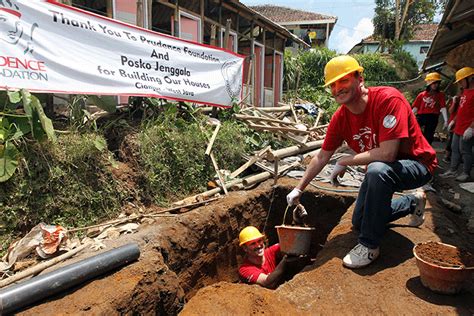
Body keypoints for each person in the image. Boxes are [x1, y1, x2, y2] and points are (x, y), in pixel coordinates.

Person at [286, 55, 437, 269]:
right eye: (333, 84)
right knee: (359, 221)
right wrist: (299, 189)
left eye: (344, 80)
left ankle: (369, 246)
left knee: (376, 169)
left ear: (360, 78)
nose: (338, 88)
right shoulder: (341, 117)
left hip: (417, 164)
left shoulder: (388, 100)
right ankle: (412, 203)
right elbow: (321, 156)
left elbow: (387, 154)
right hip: (385, 170)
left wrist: (346, 161)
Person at [439, 67, 474, 182]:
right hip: (458, 127)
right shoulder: (465, 92)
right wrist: (454, 120)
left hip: (467, 129)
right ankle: (453, 170)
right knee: (454, 149)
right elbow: (461, 110)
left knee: (465, 151)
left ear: (469, 78)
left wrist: (471, 128)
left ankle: (466, 173)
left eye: (461, 80)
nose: (459, 83)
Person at [412, 72, 448, 144]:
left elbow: (443, 107)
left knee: (428, 136)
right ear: (429, 83)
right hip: (421, 116)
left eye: (437, 83)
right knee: (413, 131)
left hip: (433, 117)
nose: (435, 85)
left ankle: (426, 152)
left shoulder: (440, 95)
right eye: (434, 83)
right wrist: (409, 117)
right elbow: (415, 107)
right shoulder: (421, 95)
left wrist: (446, 120)